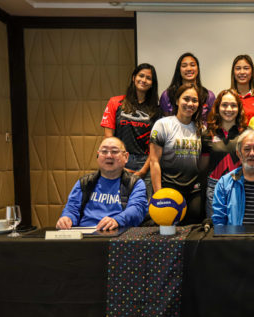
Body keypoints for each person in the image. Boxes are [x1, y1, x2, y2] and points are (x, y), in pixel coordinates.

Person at [56, 137, 147, 230]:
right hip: (85, 236)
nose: (109, 156)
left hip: (118, 236)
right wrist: (67, 218)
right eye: (104, 151)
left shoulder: (135, 183)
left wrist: (117, 220)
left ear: (126, 157)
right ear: (98, 155)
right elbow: (72, 209)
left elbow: (137, 209)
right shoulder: (85, 182)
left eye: (114, 151)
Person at [100, 63, 161, 199]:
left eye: (148, 78)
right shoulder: (115, 102)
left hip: (146, 163)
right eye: (141, 76)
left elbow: (155, 145)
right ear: (134, 78)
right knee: (118, 204)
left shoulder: (156, 110)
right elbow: (108, 139)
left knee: (142, 208)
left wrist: (144, 170)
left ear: (152, 83)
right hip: (119, 160)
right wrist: (119, 163)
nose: (144, 80)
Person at [149, 84, 204, 225]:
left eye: (194, 100)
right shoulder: (163, 125)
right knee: (169, 234)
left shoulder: (201, 128)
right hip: (169, 189)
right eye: (186, 99)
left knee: (193, 233)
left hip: (194, 191)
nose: (190, 104)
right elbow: (154, 161)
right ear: (177, 100)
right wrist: (158, 194)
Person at [199, 89, 247, 218]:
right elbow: (203, 168)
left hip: (240, 186)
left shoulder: (247, 133)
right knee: (216, 231)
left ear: (239, 108)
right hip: (214, 188)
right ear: (217, 107)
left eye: (233, 105)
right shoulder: (207, 134)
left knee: (239, 229)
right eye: (224, 105)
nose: (229, 109)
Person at [159, 52, 215, 122]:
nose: (189, 69)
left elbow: (211, 123)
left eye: (192, 65)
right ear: (179, 70)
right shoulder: (167, 95)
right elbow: (165, 123)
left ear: (198, 69)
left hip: (200, 132)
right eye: (184, 66)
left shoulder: (209, 96)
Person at [231, 54, 254, 122]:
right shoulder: (226, 97)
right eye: (238, 68)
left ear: (252, 71)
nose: (242, 72)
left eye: (246, 68)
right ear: (233, 72)